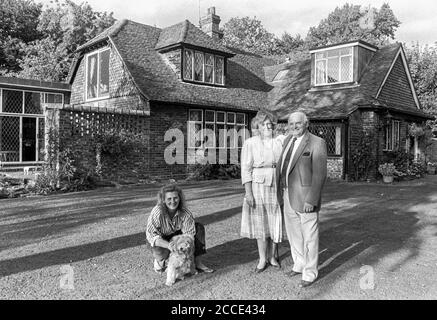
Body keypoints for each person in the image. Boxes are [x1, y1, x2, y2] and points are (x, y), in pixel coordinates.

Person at [276, 111, 327, 288]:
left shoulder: (317, 142)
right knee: (294, 234)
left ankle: (310, 273)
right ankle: (299, 264)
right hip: (287, 194)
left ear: (306, 123)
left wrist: (311, 200)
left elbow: (320, 174)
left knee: (310, 237)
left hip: (306, 198)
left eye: (298, 123)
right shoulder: (287, 140)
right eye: (291, 124)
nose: (294, 126)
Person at [241, 112, 284, 273]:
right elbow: (246, 169)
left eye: (270, 124)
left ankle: (272, 256)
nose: (267, 127)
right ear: (257, 126)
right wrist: (248, 193)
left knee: (275, 221)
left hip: (276, 185)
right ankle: (262, 258)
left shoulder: (279, 142)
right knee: (261, 223)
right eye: (263, 124)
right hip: (257, 187)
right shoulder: (250, 143)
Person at [146, 184, 214, 274]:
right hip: (160, 239)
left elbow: (189, 235)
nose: (173, 201)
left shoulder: (185, 213)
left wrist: (183, 245)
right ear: (163, 200)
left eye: (175, 198)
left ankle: (197, 262)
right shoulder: (157, 212)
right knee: (160, 252)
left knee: (198, 227)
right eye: (169, 199)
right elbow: (152, 236)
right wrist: (170, 245)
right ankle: (161, 261)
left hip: (178, 237)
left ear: (180, 198)